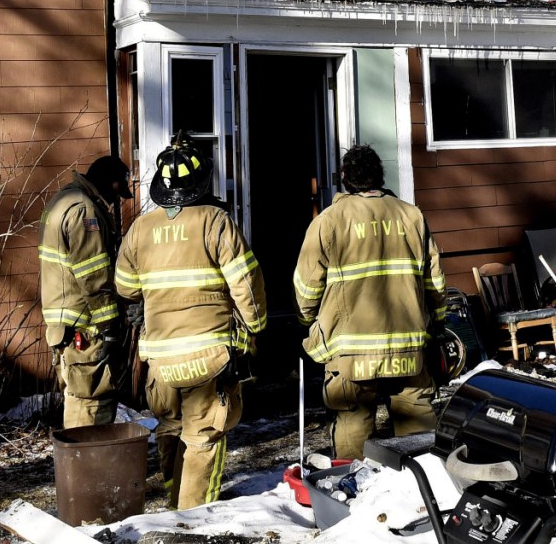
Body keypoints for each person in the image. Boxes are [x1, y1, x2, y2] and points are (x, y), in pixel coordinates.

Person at [115, 132, 266, 508]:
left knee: (170, 428)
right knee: (204, 437)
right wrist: (256, 327)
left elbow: (125, 287)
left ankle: (174, 506)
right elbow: (246, 284)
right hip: (209, 357)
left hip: (160, 361)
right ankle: (191, 518)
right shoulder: (216, 222)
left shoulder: (140, 229)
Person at [294, 144, 447, 459]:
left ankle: (354, 491)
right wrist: (438, 322)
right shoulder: (412, 216)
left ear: (345, 178)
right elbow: (435, 281)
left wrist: (306, 321)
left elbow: (306, 286)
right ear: (380, 176)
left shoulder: (328, 221)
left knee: (352, 425)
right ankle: (424, 493)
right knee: (417, 428)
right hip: (409, 348)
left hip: (351, 352)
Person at [38, 154, 132, 428]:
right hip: (85, 325)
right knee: (92, 400)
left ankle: (81, 465)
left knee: (77, 396)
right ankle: (90, 465)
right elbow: (94, 274)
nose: (116, 203)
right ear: (111, 184)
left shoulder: (61, 200)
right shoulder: (84, 210)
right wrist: (110, 325)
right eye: (117, 195)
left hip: (64, 322)